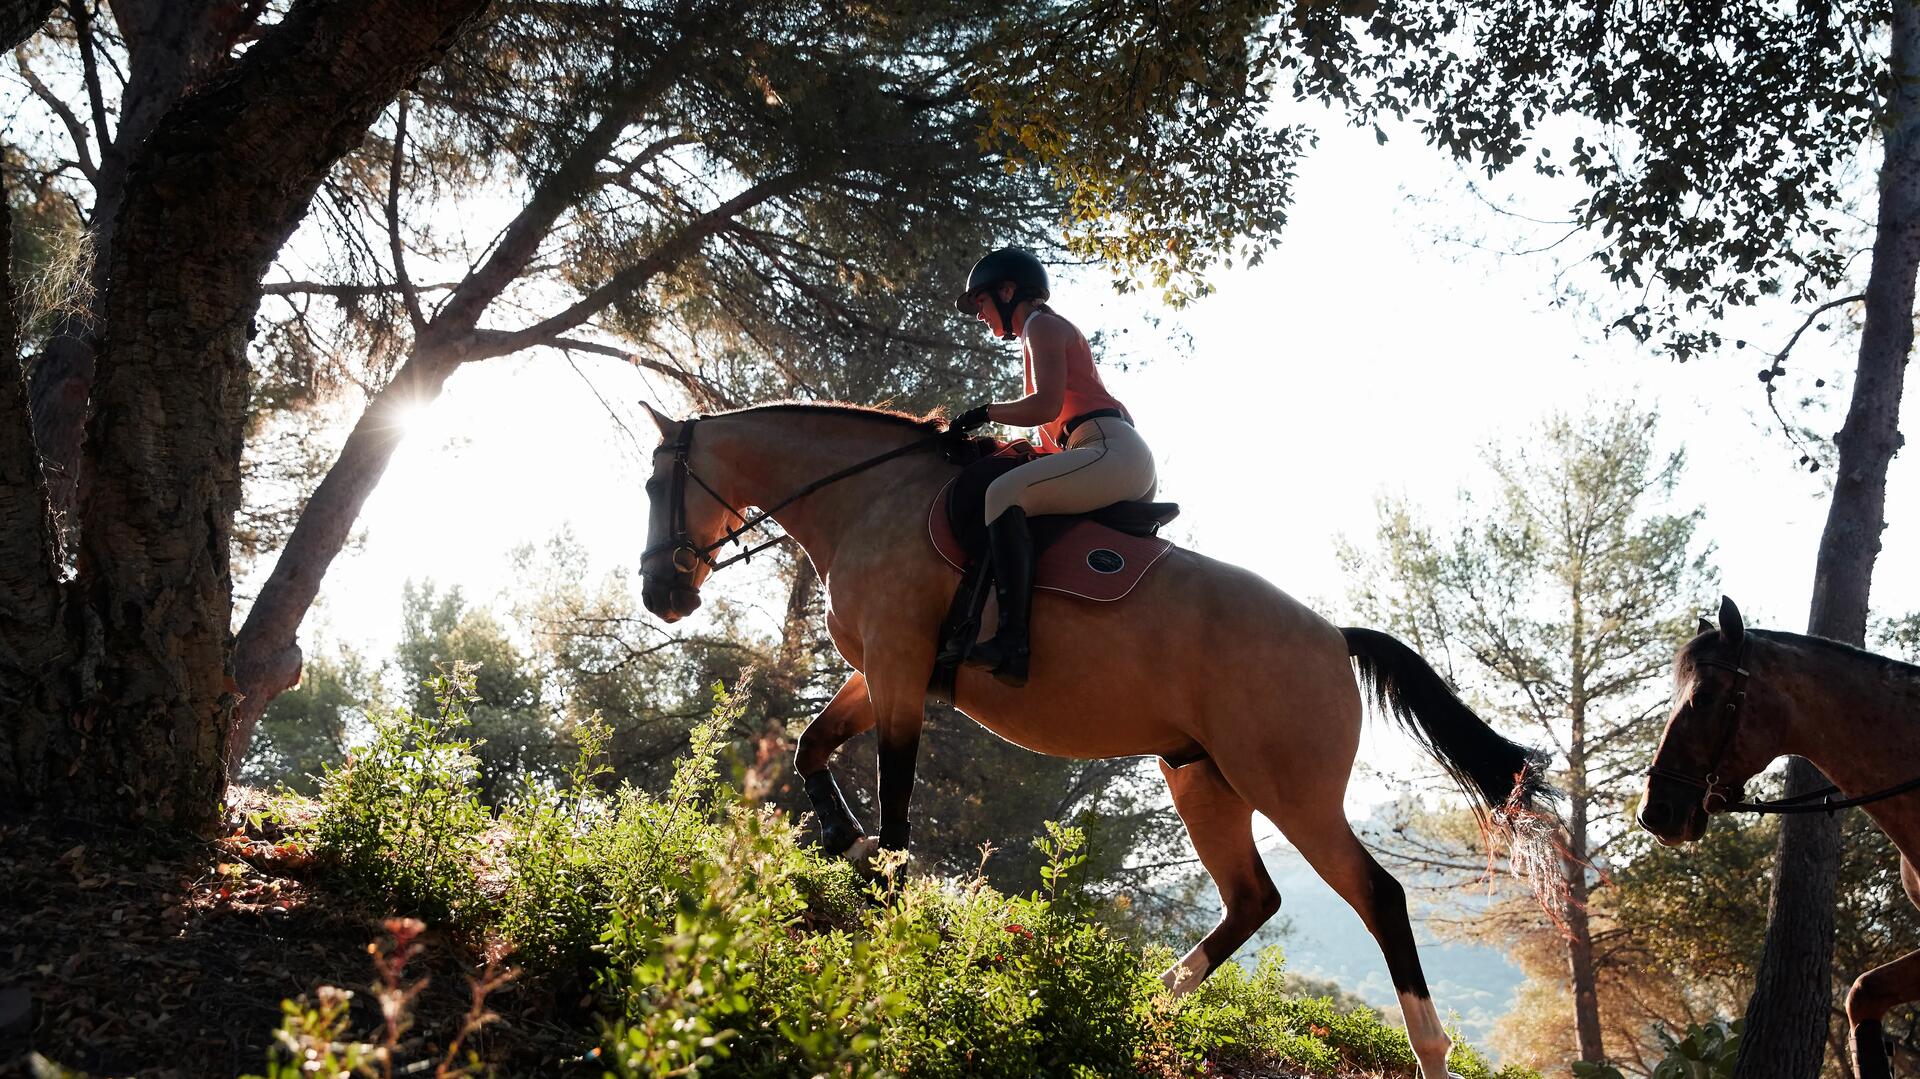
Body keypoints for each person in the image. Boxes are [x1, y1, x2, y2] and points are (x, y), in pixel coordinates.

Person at [948, 247, 1157, 687]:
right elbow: (1045, 440)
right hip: (1107, 452)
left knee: (1002, 495)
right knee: (1017, 497)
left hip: (1106, 449)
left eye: (983, 303)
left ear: (1008, 292)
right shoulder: (1039, 335)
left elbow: (1043, 406)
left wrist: (984, 411)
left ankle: (1011, 643)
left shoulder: (1040, 325)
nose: (982, 316)